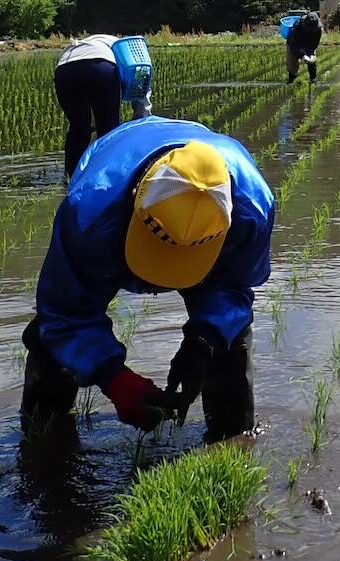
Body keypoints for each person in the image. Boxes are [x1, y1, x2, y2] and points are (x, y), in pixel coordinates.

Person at [20, 116, 274, 441]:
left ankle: (233, 438)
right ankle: (43, 447)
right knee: (52, 338)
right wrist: (114, 378)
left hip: (214, 206)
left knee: (230, 335)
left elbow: (234, 286)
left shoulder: (252, 208)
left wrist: (203, 341)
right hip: (116, 158)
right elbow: (66, 311)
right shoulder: (89, 212)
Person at [55, 34, 152, 178]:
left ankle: (70, 179)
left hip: (65, 69)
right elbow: (141, 98)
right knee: (108, 130)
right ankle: (110, 177)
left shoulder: (92, 43)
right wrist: (142, 122)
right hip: (100, 66)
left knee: (78, 129)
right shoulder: (131, 54)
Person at [286, 11, 323, 84]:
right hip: (294, 44)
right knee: (292, 65)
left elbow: (315, 44)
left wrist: (311, 53)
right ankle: (291, 81)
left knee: (312, 61)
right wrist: (302, 55)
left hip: (308, 44)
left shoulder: (318, 29)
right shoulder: (297, 26)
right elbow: (293, 45)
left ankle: (313, 80)